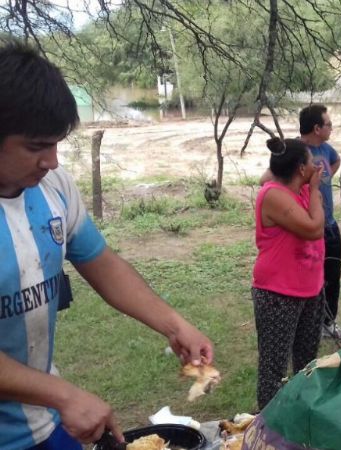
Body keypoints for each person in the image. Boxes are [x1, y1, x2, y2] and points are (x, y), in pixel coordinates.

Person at [0, 41, 214, 448]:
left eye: (56, 143)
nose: (53, 161)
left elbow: (102, 263)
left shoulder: (54, 188)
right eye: (35, 147)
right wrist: (61, 394)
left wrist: (174, 325)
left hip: (40, 423)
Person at [259, 104, 341, 340]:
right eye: (328, 124)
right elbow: (266, 179)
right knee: (310, 275)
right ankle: (306, 324)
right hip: (308, 225)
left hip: (329, 223)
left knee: (332, 274)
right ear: (317, 128)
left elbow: (335, 162)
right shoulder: (295, 151)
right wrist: (305, 187)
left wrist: (322, 181)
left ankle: (328, 323)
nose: (331, 128)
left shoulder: (327, 151)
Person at [252, 138, 325, 409]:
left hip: (310, 288)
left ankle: (299, 415)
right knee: (274, 366)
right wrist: (316, 190)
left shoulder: (299, 188)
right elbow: (313, 228)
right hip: (278, 292)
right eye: (309, 162)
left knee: (307, 362)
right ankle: (269, 426)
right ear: (299, 168)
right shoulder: (273, 195)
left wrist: (286, 153)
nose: (314, 166)